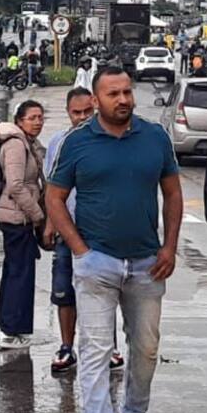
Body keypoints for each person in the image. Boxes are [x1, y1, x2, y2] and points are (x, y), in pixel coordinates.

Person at [45, 65, 182, 413]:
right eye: (113, 94)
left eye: (127, 92)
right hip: (97, 264)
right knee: (95, 350)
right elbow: (54, 198)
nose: (123, 100)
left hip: (147, 262)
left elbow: (173, 193)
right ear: (97, 99)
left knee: (145, 348)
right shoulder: (76, 143)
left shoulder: (155, 137)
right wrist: (80, 251)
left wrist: (170, 246)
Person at [43, 88, 127, 375]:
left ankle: (109, 347)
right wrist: (51, 223)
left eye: (86, 112)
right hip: (68, 230)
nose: (81, 118)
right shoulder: (59, 142)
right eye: (75, 113)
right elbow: (52, 189)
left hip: (103, 231)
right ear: (68, 113)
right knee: (64, 291)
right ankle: (67, 347)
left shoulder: (112, 142)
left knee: (105, 289)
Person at [0, 99, 47, 349]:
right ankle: (10, 330)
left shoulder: (30, 144)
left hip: (19, 216)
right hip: (16, 217)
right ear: (19, 121)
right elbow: (15, 185)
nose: (37, 122)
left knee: (18, 272)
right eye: (32, 118)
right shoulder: (15, 144)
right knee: (19, 275)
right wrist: (38, 215)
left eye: (40, 117)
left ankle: (14, 328)